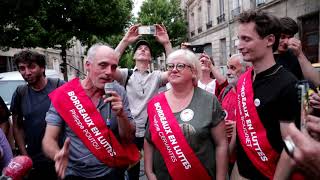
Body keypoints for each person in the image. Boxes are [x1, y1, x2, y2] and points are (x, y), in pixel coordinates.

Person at [42, 43, 139, 179]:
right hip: (74, 174)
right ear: (88, 65)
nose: (109, 72)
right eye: (103, 65)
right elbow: (48, 139)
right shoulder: (64, 95)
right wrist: (56, 154)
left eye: (113, 67)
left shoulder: (118, 92)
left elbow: (128, 138)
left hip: (111, 172)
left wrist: (121, 115)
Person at [234, 10, 300, 179]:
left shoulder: (287, 84)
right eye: (239, 38)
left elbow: (291, 144)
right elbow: (240, 126)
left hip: (269, 173)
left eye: (246, 39)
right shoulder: (243, 80)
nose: (239, 45)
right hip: (241, 172)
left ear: (270, 40)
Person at [144, 49, 228, 180]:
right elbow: (149, 140)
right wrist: (149, 173)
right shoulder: (156, 103)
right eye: (170, 66)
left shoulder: (209, 100)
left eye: (180, 66)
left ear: (193, 71)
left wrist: (221, 178)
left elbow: (221, 143)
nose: (174, 69)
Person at [114, 24, 172, 180]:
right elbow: (109, 66)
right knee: (132, 172)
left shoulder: (157, 77)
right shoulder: (126, 74)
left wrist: (166, 43)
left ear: (150, 58)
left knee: (154, 169)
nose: (143, 49)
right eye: (139, 48)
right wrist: (125, 41)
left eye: (147, 49)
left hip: (151, 132)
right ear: (133, 56)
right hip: (130, 132)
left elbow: (174, 71)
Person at [10, 50, 64, 179]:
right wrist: (24, 155)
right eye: (22, 68)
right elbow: (17, 126)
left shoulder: (59, 86)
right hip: (36, 161)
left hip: (62, 157)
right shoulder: (20, 93)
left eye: (31, 67)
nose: (27, 72)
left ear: (42, 67)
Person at [275, 17, 320, 86]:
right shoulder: (266, 55)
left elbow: (316, 82)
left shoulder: (295, 55)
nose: (286, 42)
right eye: (282, 37)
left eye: (290, 37)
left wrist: (300, 54)